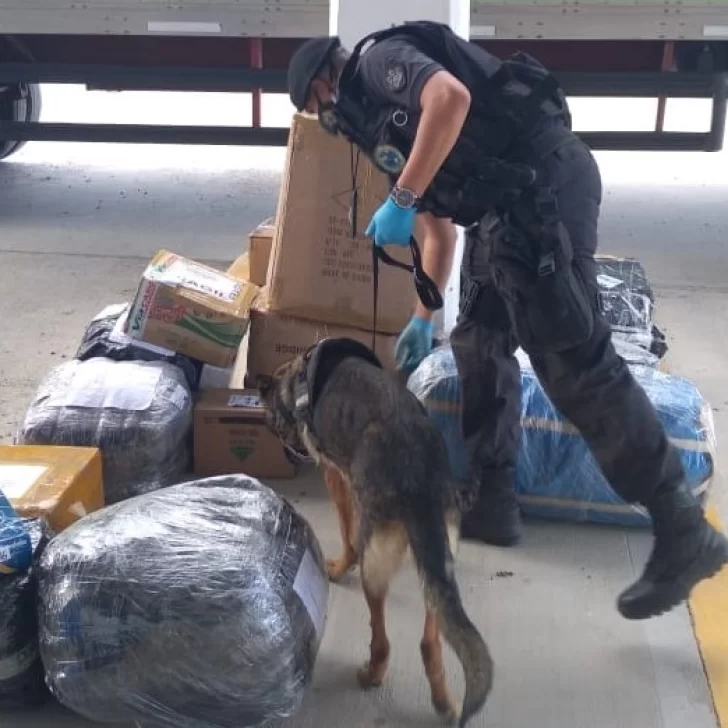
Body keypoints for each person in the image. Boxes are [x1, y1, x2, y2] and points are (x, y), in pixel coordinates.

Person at [285, 20, 728, 621]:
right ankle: (495, 497)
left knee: (573, 360)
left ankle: (681, 527)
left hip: (546, 186)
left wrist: (403, 197)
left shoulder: (380, 62)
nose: (326, 119)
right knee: (477, 340)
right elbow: (438, 233)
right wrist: (422, 314)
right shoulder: (380, 129)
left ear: (322, 81)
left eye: (316, 106)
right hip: (503, 212)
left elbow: (451, 97)